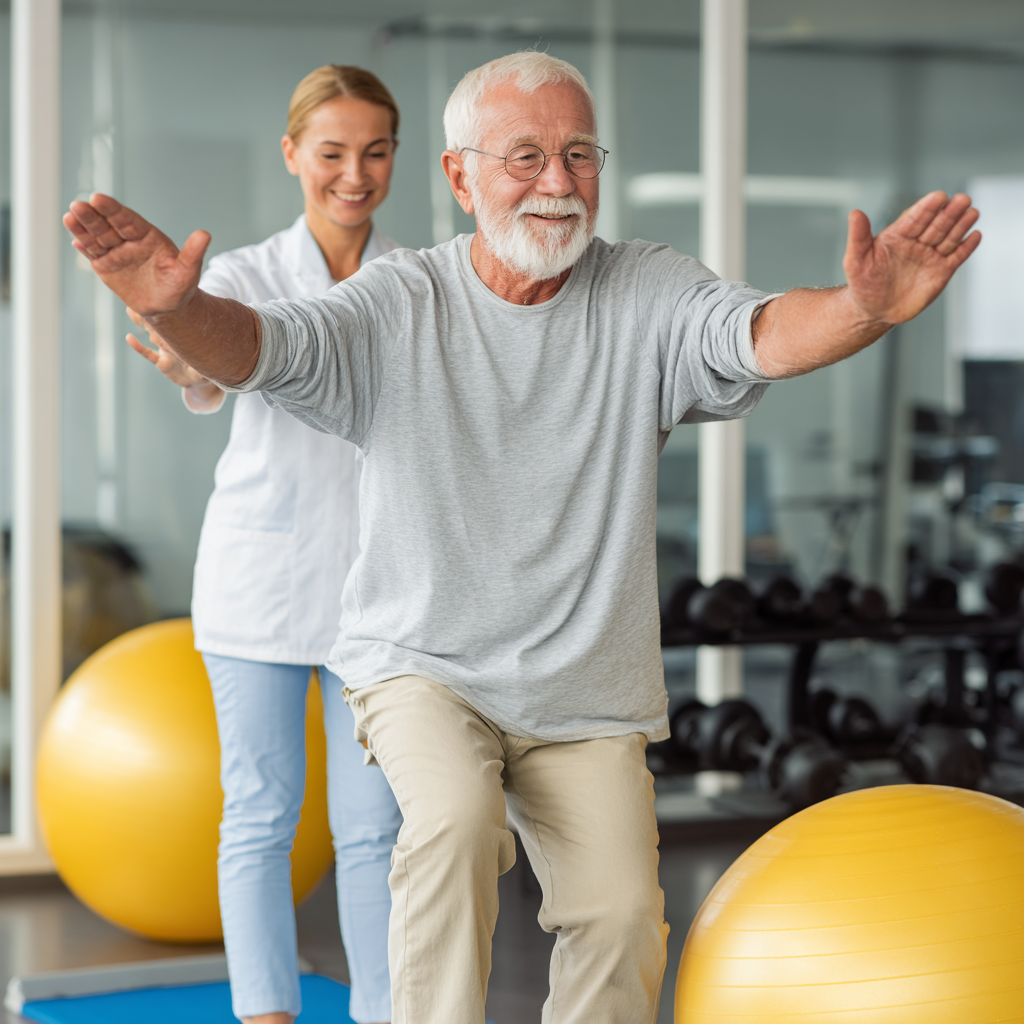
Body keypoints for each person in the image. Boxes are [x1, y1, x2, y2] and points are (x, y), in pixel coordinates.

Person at [65, 50, 980, 1024]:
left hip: (583, 687)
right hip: (425, 662)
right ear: (460, 177)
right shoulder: (401, 300)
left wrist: (859, 311)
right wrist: (175, 307)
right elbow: (268, 348)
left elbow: (756, 332)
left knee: (624, 915)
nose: (557, 182)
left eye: (579, 154)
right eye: (526, 156)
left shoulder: (645, 292)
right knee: (449, 825)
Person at [123, 65, 404, 1024]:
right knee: (260, 816)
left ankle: (382, 1012)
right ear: (292, 155)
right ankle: (266, 1014)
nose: (353, 174)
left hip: (381, 599)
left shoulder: (415, 281)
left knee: (375, 830)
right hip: (261, 585)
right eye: (331, 153)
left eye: (374, 152)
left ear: (397, 157)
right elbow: (209, 365)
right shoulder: (239, 275)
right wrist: (178, 337)